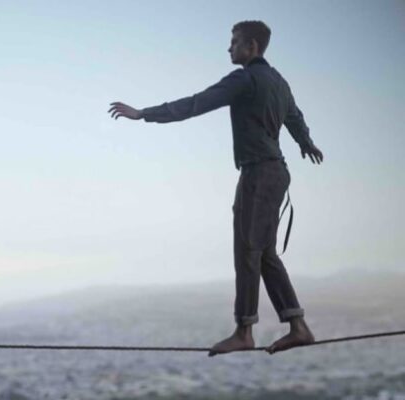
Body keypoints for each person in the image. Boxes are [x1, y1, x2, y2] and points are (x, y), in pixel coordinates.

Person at [108, 21, 324, 355]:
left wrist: (143, 114)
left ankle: (244, 332)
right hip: (276, 173)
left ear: (251, 46)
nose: (229, 47)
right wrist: (306, 143)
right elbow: (295, 117)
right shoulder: (279, 81)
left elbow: (198, 103)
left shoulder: (245, 78)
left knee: (247, 252)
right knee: (264, 253)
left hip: (258, 173)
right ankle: (298, 327)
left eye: (235, 42)